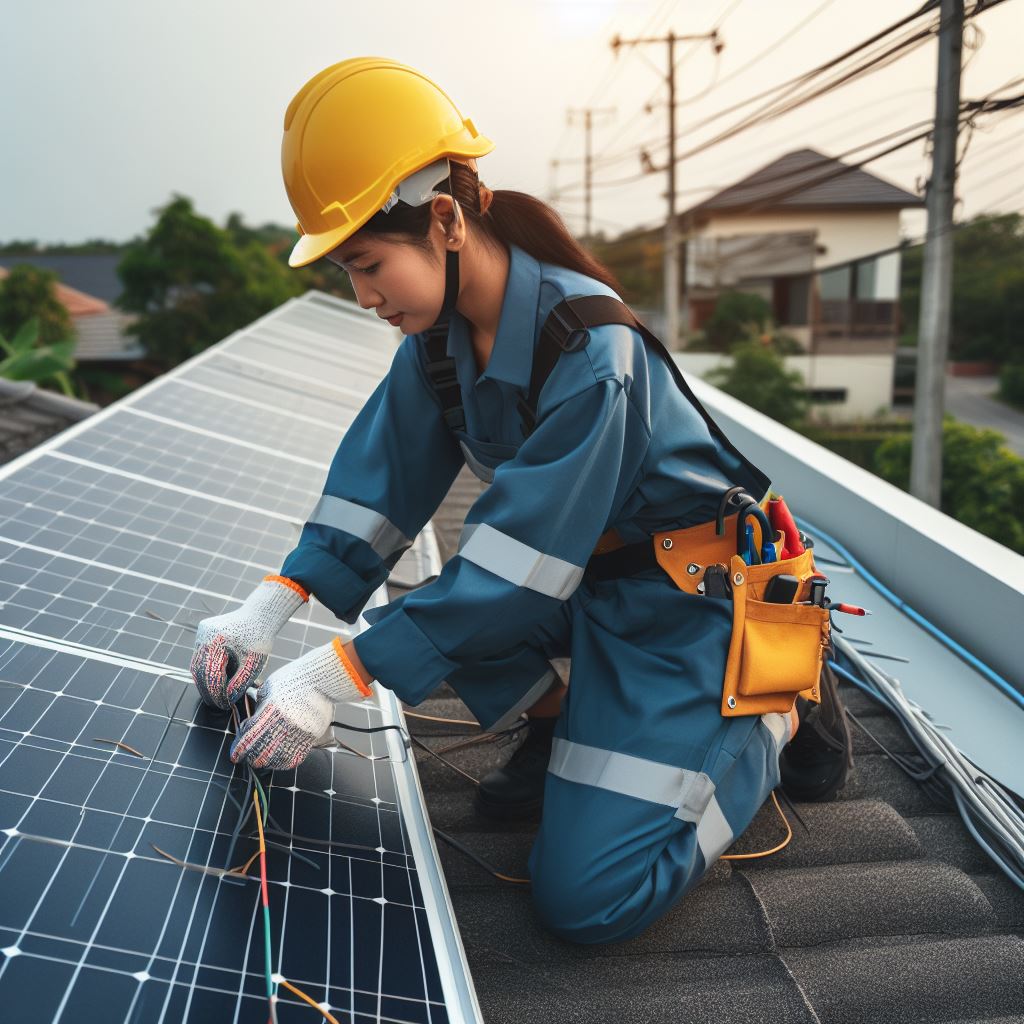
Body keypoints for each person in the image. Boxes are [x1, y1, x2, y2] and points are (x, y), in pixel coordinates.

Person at [190, 57, 850, 945]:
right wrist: (271, 606)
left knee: (584, 900)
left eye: (370, 264)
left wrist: (338, 673)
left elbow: (524, 567)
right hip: (595, 589)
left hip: (691, 612)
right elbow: (376, 485)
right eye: (350, 272)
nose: (365, 296)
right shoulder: (439, 341)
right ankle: (556, 728)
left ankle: (773, 709)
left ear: (447, 220)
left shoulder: (589, 351)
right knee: (411, 606)